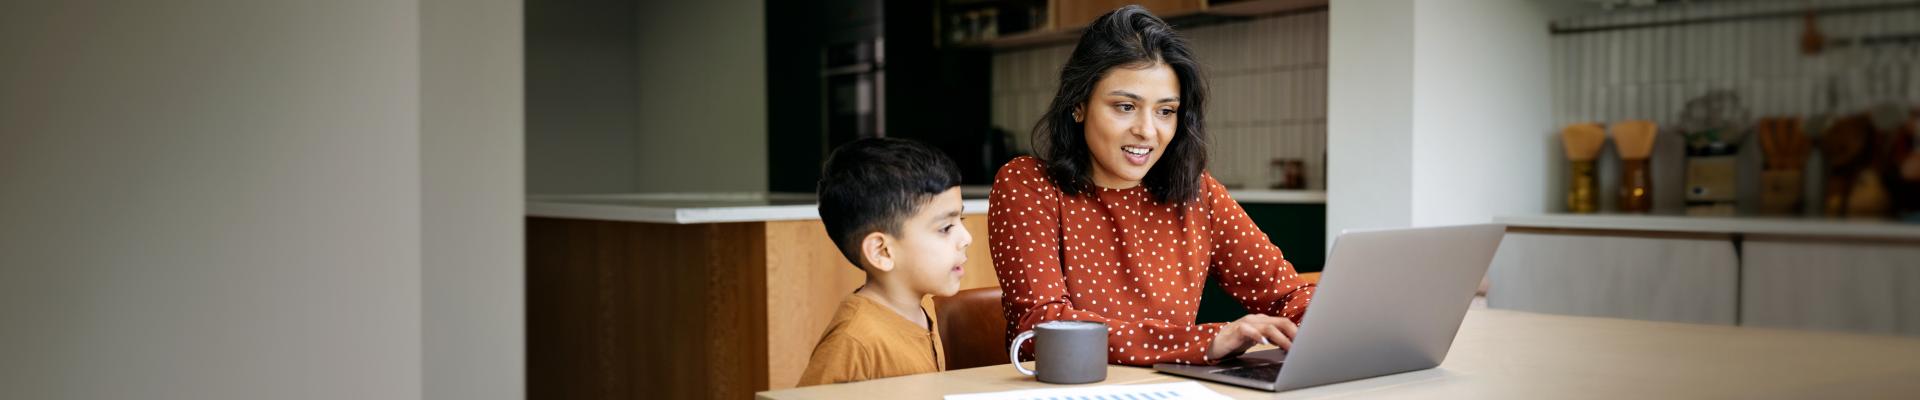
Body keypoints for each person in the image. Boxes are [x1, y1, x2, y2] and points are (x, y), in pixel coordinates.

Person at [990, 5, 1315, 366]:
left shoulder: (1197, 192)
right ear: (1078, 104)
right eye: (1125, 106)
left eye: (1165, 111)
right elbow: (1042, 329)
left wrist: (1322, 329)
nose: (1147, 130)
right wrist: (1206, 341)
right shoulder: (1029, 184)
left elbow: (1288, 293)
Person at [799, 138, 974, 385]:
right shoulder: (853, 341)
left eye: (961, 220)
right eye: (945, 228)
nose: (966, 238)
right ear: (882, 252)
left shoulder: (917, 313)